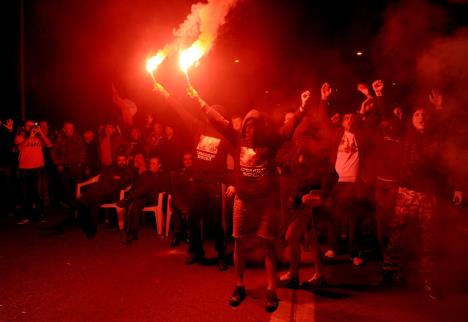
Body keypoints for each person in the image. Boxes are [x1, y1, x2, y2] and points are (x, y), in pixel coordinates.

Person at [181, 85, 310, 313]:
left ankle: (271, 289)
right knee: (239, 243)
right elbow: (217, 119)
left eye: (253, 127)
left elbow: (289, 128)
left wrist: (302, 107)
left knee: (267, 245)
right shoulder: (236, 136)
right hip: (243, 200)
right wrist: (198, 99)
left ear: (260, 128)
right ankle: (239, 286)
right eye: (247, 127)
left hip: (266, 203)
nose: (249, 132)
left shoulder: (271, 140)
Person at [381, 105, 463, 300]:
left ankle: (429, 280)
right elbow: (385, 120)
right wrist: (379, 97)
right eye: (417, 114)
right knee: (396, 234)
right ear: (411, 119)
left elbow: (450, 162)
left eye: (425, 115)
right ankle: (388, 274)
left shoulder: (439, 138)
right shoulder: (404, 134)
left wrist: (458, 187)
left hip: (430, 195)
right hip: (406, 193)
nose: (421, 117)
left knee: (430, 239)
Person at [76, 153, 135, 238]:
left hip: (113, 194)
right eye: (119, 160)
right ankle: (88, 226)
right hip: (101, 190)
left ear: (126, 161)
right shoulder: (111, 168)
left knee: (91, 198)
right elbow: (101, 178)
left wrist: (112, 179)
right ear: (116, 161)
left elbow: (124, 183)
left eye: (123, 160)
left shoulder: (129, 170)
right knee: (90, 199)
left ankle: (90, 228)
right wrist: (114, 179)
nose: (121, 162)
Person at [118, 156, 170, 244]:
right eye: (150, 163)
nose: (150, 165)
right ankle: (132, 233)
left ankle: (128, 199)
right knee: (136, 203)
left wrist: (155, 185)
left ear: (159, 165)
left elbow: (164, 188)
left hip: (154, 198)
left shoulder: (162, 175)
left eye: (153, 164)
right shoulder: (145, 174)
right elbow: (136, 185)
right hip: (142, 197)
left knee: (148, 183)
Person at [15, 120, 52, 224]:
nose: (31, 128)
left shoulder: (39, 137)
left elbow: (49, 145)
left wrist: (40, 133)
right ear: (24, 127)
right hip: (24, 168)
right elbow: (19, 148)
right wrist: (30, 137)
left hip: (38, 168)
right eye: (29, 126)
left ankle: (40, 214)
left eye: (33, 126)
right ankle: (26, 215)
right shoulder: (20, 137)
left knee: (37, 192)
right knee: (25, 193)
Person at [51, 122, 86, 208]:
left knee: (78, 188)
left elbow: (83, 151)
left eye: (72, 128)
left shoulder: (78, 138)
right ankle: (71, 206)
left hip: (76, 168)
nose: (70, 129)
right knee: (66, 189)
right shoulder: (59, 139)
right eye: (68, 128)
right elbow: (53, 152)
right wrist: (58, 164)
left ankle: (78, 205)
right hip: (65, 169)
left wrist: (81, 162)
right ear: (64, 129)